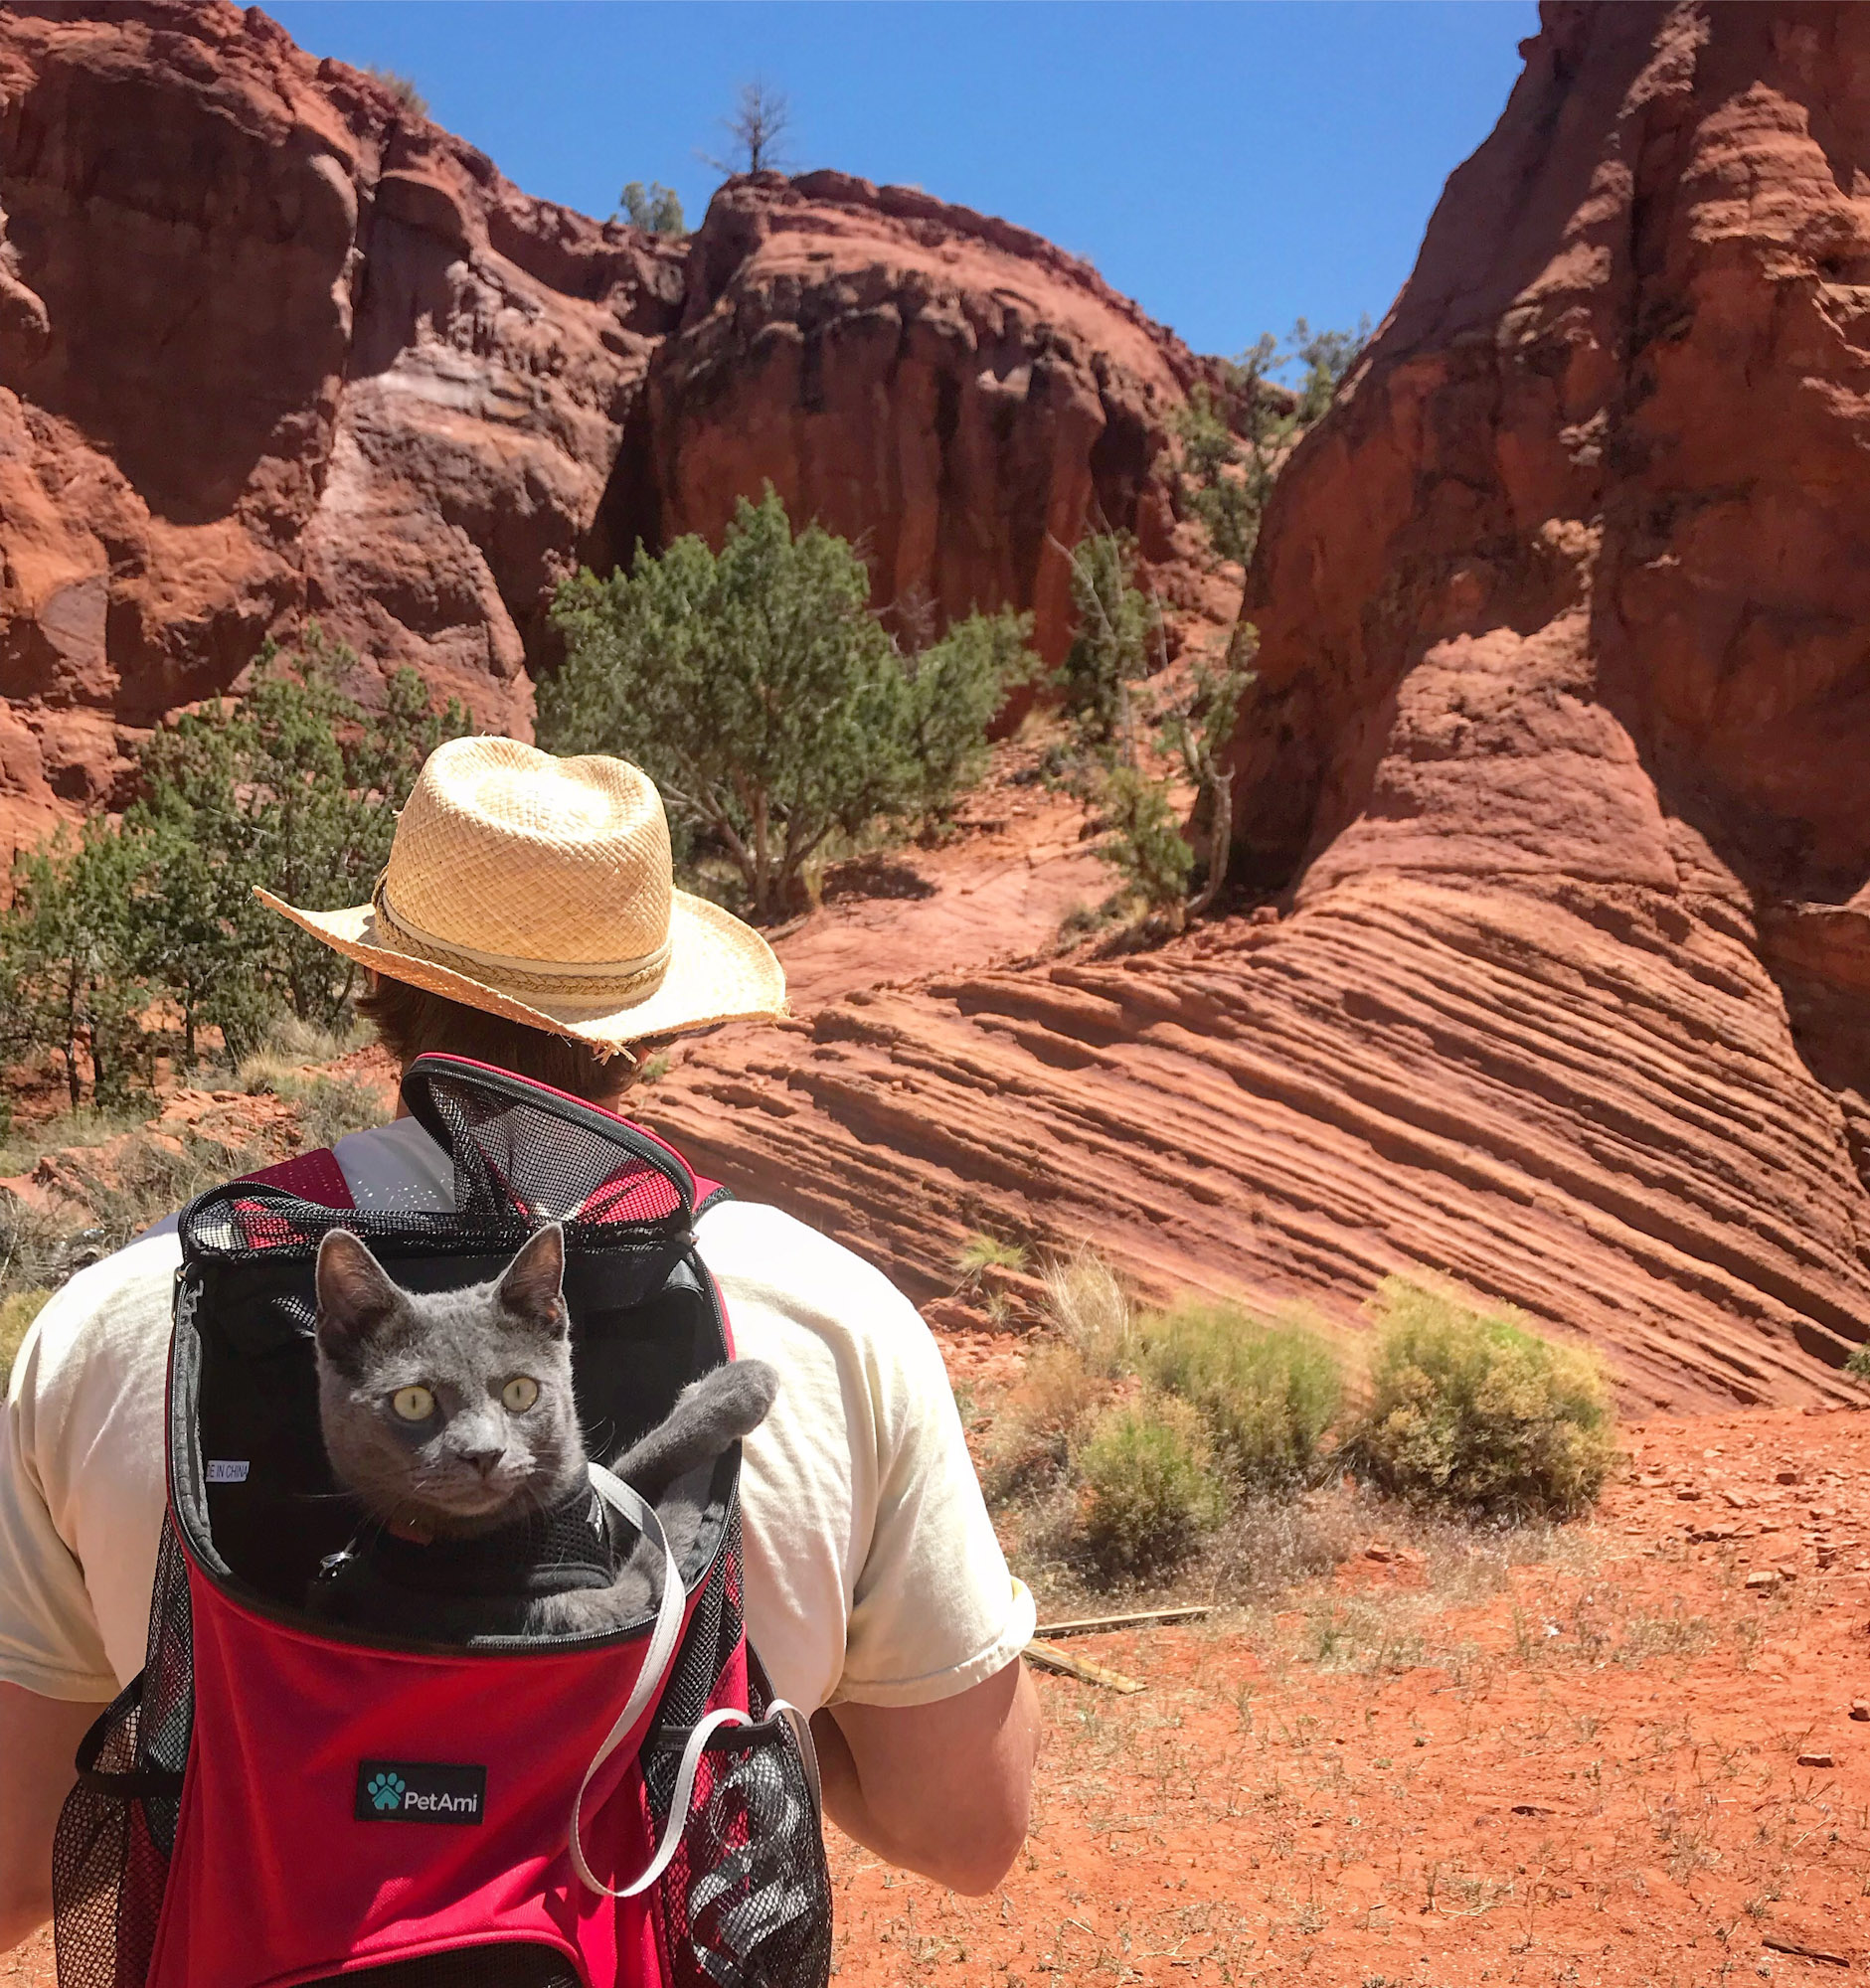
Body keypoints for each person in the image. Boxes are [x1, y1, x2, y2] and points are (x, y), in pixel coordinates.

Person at [0, 736, 1039, 1953]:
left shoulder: (126, 1315)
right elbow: (968, 1828)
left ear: (380, 983)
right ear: (642, 1028)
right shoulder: (836, 1317)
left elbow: (14, 1864)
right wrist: (790, 1701)